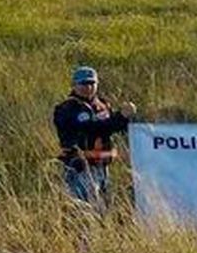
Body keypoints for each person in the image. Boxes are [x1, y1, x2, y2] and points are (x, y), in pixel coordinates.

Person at [54, 66, 136, 209]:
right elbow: (92, 128)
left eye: (92, 83)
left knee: (103, 209)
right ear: (74, 85)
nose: (88, 87)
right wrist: (120, 117)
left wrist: (127, 120)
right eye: (83, 83)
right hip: (80, 168)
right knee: (83, 209)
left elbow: (112, 128)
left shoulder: (102, 105)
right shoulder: (66, 108)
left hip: (102, 166)